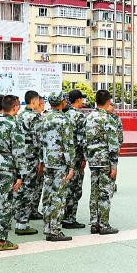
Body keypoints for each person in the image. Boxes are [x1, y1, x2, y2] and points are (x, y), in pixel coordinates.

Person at [0, 95, 26, 251]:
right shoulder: (14, 124)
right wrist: (21, 174)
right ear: (15, 107)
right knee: (6, 202)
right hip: (8, 166)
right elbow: (18, 151)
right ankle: (2, 239)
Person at [38, 94, 75, 241]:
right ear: (61, 102)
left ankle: (47, 228)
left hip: (47, 161)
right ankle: (55, 230)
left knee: (48, 194)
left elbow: (40, 142)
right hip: (60, 163)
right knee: (58, 196)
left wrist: (41, 161)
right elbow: (68, 144)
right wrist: (71, 166)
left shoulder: (44, 118)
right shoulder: (64, 119)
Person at [84, 89, 120, 234]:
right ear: (108, 101)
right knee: (105, 192)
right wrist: (114, 165)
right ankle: (104, 224)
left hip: (93, 160)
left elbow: (84, 140)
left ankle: (94, 223)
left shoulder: (89, 117)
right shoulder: (108, 119)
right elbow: (113, 145)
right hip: (105, 160)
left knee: (94, 192)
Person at [14, 91, 43, 236]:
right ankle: (22, 224)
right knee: (28, 189)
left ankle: (17, 218)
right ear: (34, 101)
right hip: (31, 157)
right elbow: (39, 140)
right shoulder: (34, 117)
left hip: (19, 156)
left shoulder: (18, 116)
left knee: (19, 188)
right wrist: (41, 160)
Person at [63, 89, 87, 230]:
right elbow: (82, 139)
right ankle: (69, 218)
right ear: (78, 100)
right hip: (76, 158)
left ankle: (61, 215)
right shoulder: (79, 116)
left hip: (63, 157)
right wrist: (83, 157)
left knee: (64, 187)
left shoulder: (64, 114)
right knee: (75, 189)